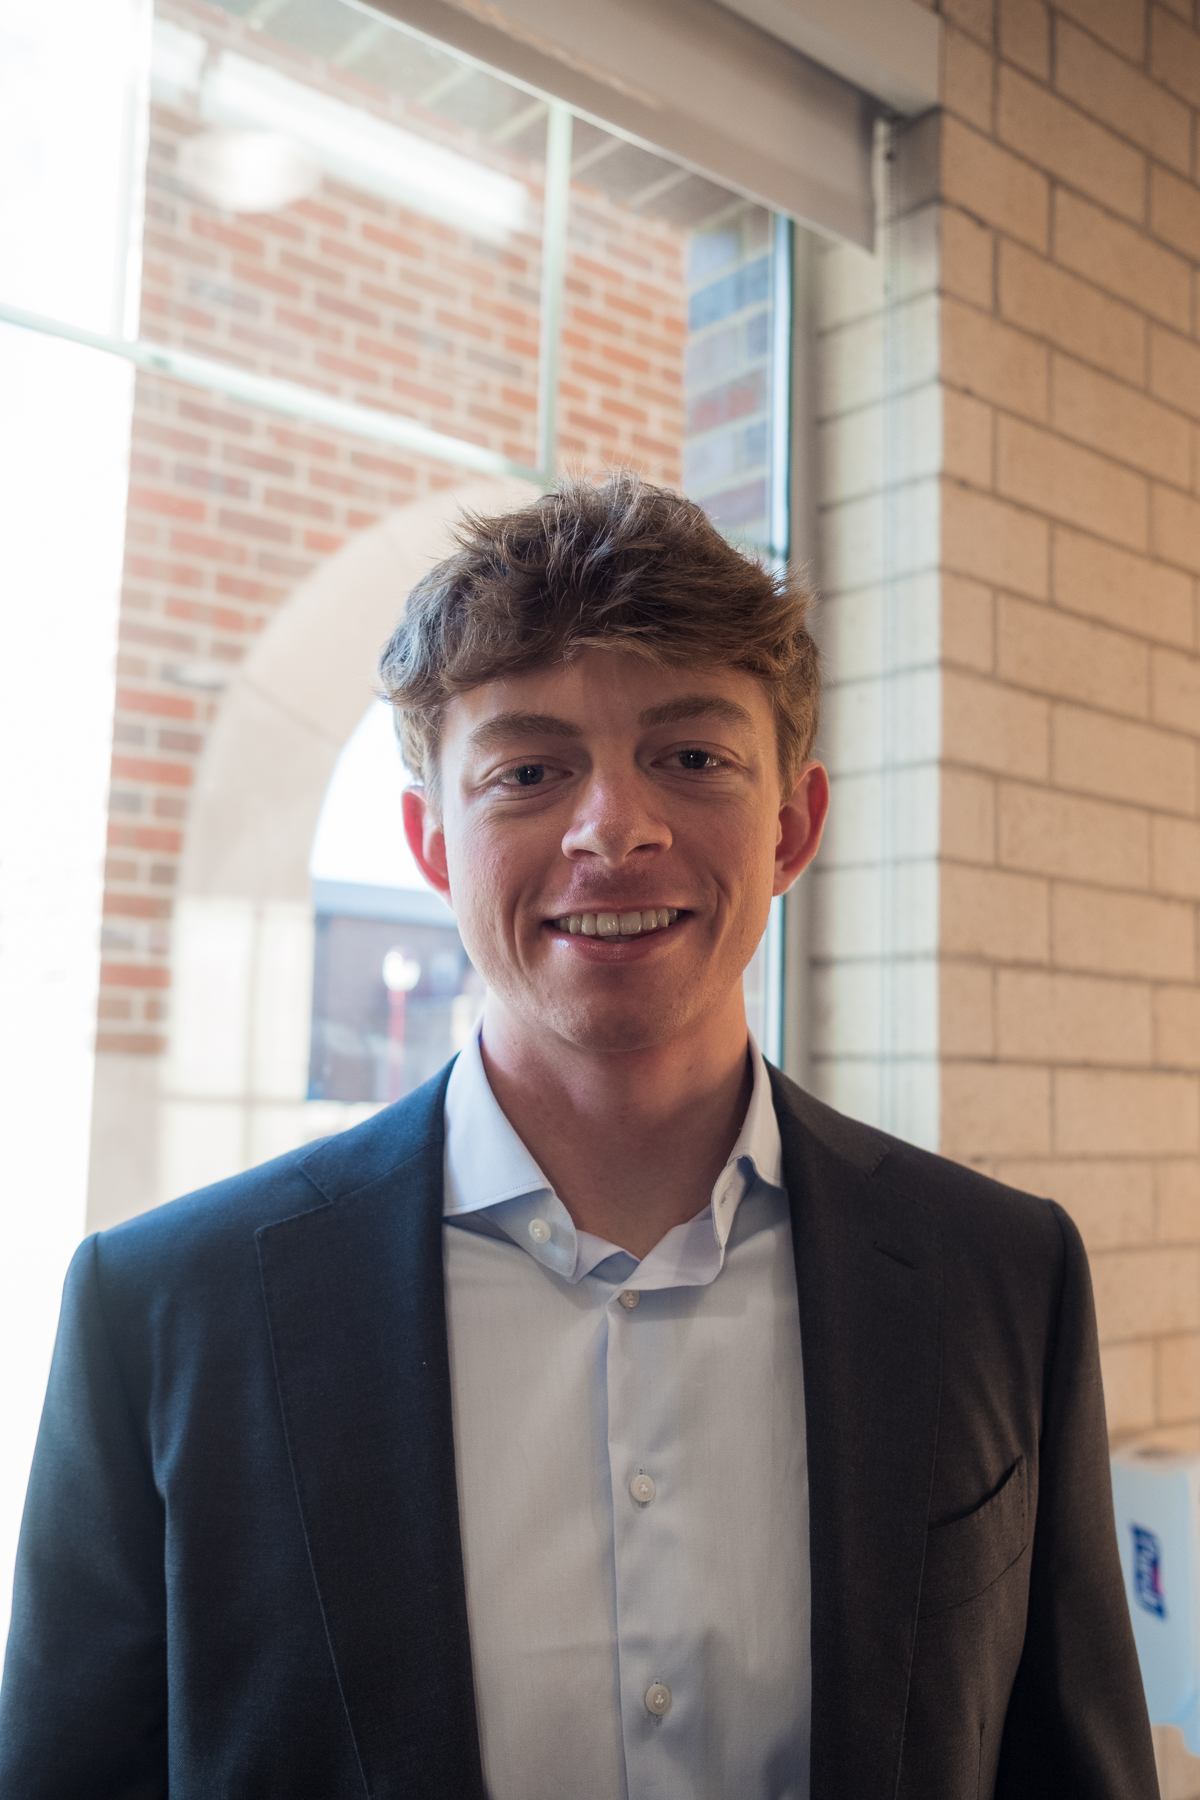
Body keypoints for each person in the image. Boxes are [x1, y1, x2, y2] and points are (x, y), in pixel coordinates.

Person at [0, 474, 1156, 1799]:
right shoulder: (158, 1318)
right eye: (531, 770)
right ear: (435, 844)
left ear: (793, 826)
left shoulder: (1001, 1279)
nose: (618, 826)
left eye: (691, 755)